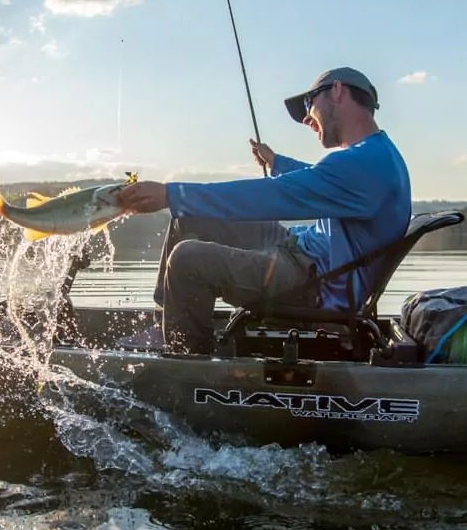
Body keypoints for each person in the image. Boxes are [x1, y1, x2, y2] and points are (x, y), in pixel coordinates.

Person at [115, 67, 412, 355]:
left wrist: (171, 194)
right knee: (190, 217)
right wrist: (277, 163)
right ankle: (164, 324)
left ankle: (185, 364)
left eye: (309, 103)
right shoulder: (374, 156)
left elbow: (275, 195)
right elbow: (320, 180)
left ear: (336, 91)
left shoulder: (365, 163)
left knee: (187, 260)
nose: (307, 118)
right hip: (298, 251)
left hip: (312, 283)